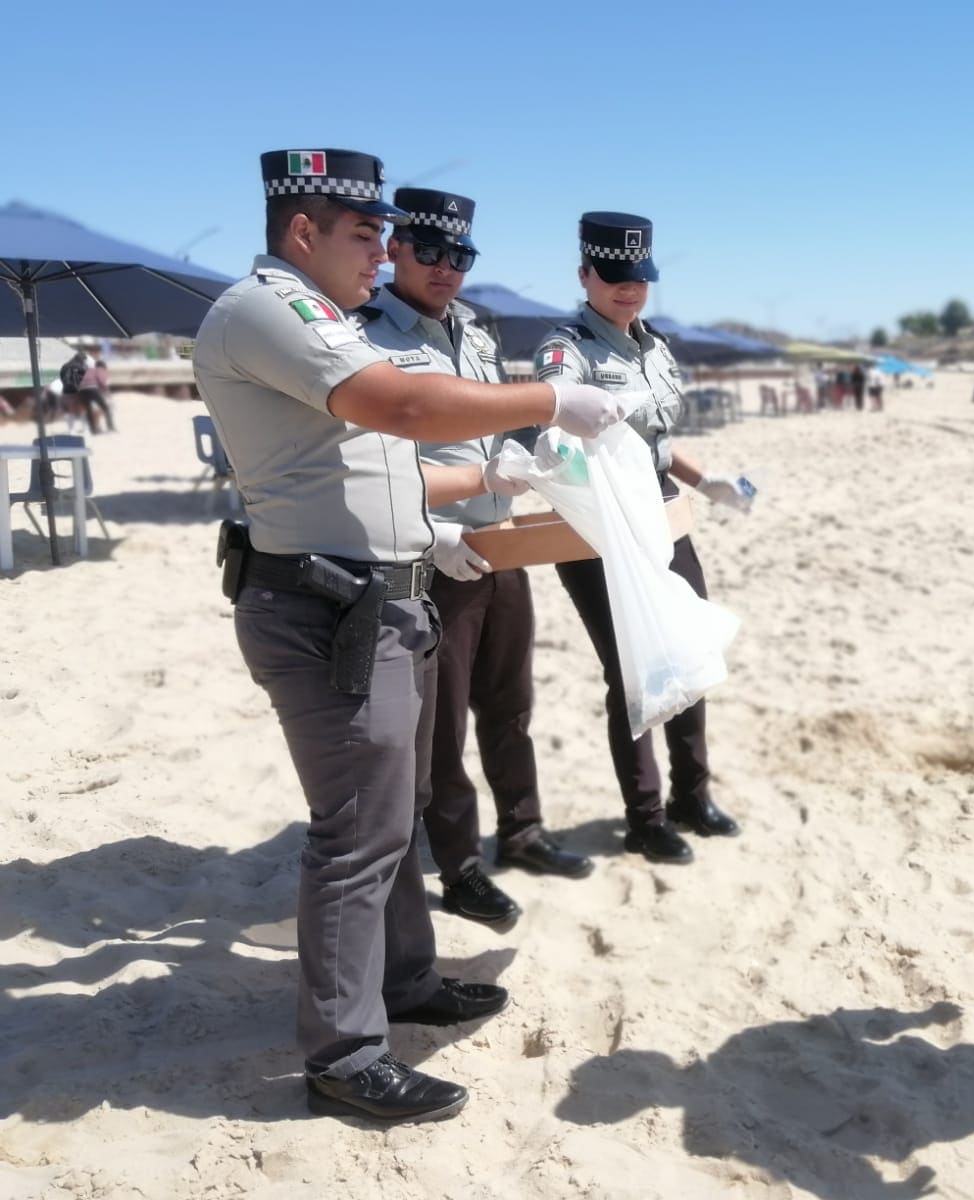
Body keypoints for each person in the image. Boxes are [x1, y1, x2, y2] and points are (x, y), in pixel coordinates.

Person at [193, 147, 623, 1124]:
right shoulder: (273, 308)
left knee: (393, 817)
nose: (383, 252)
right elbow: (406, 407)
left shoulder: (328, 321)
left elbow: (389, 472)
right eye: (364, 232)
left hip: (379, 598)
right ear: (303, 232)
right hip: (324, 609)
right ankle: (345, 1053)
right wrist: (550, 398)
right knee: (357, 833)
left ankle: (405, 981)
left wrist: (492, 484)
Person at [354, 187, 594, 929]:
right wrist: (438, 533)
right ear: (394, 248)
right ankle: (458, 868)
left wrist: (542, 452)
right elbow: (370, 462)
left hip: (501, 545)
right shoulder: (364, 336)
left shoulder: (478, 336)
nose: (445, 267)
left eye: (460, 255)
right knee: (440, 727)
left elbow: (496, 435)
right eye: (429, 251)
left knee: (511, 703)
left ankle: (521, 831)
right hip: (433, 551)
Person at [535, 212, 751, 866]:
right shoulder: (566, 346)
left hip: (662, 516)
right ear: (585, 275)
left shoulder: (655, 348)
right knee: (630, 668)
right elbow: (548, 410)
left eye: (639, 277)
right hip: (600, 530)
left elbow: (656, 445)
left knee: (688, 651)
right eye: (612, 276)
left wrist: (706, 478)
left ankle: (693, 795)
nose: (627, 288)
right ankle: (645, 816)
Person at [78, 357, 115, 433]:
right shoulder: (97, 370)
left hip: (81, 391)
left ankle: (93, 430)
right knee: (106, 408)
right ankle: (110, 427)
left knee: (89, 410)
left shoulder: (84, 371)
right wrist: (107, 391)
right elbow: (102, 381)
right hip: (92, 389)